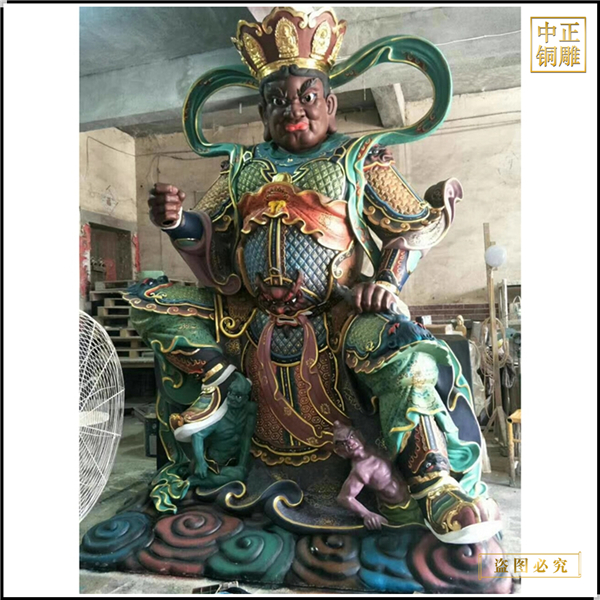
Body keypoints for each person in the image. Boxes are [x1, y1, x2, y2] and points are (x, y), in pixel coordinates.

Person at [127, 6, 501, 543]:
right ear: (263, 110)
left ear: (330, 103)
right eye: (279, 100)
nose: (294, 108)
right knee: (148, 297)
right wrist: (175, 219)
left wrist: (386, 282)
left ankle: (434, 484)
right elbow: (207, 228)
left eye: (307, 96)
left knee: (407, 356)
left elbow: (412, 228)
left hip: (338, 313)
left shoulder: (359, 159)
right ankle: (222, 385)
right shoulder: (242, 168)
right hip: (247, 314)